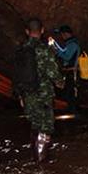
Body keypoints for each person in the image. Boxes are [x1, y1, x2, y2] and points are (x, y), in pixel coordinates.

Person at [14, 18, 63, 163]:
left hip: (27, 94)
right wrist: (60, 82)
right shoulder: (44, 50)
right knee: (46, 126)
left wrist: (20, 95)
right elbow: (53, 73)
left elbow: (16, 74)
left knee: (34, 125)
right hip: (43, 95)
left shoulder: (20, 50)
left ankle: (35, 157)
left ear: (27, 32)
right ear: (42, 30)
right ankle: (42, 163)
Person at [49, 24, 81, 113]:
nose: (62, 36)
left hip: (72, 73)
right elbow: (64, 52)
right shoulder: (70, 44)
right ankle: (71, 110)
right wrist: (54, 44)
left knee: (71, 93)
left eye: (62, 34)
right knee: (69, 92)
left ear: (66, 34)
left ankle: (73, 111)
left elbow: (67, 56)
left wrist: (56, 51)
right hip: (69, 72)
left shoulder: (73, 44)